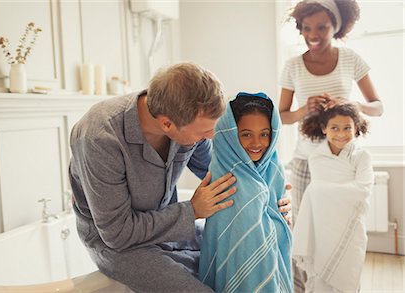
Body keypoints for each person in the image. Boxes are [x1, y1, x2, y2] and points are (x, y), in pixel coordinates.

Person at [69, 63, 291, 292]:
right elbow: (117, 234)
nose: (211, 136)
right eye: (203, 132)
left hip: (167, 226)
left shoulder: (186, 121)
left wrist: (268, 193)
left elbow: (223, 173)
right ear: (167, 123)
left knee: (250, 244)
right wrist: (193, 210)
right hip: (118, 244)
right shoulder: (99, 137)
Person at [278, 0, 383, 291]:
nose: (314, 34)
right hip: (304, 162)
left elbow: (378, 107)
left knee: (344, 231)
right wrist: (304, 110)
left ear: (336, 27)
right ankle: (302, 289)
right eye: (307, 28)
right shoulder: (292, 66)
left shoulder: (350, 58)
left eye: (322, 27)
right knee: (303, 231)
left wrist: (351, 104)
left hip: (343, 163)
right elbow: (282, 116)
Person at [199, 92, 292, 293]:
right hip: (234, 264)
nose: (256, 143)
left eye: (264, 134)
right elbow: (224, 230)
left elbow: (280, 213)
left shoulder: (274, 168)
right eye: (246, 134)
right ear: (232, 135)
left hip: (273, 264)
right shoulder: (222, 173)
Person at [293, 102, 373, 292]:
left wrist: (319, 191)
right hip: (323, 226)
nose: (341, 133)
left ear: (356, 127)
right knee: (320, 275)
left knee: (348, 275)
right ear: (324, 129)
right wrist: (319, 191)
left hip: (352, 225)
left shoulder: (362, 156)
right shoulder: (316, 157)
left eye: (347, 128)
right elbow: (319, 194)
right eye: (334, 128)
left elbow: (363, 189)